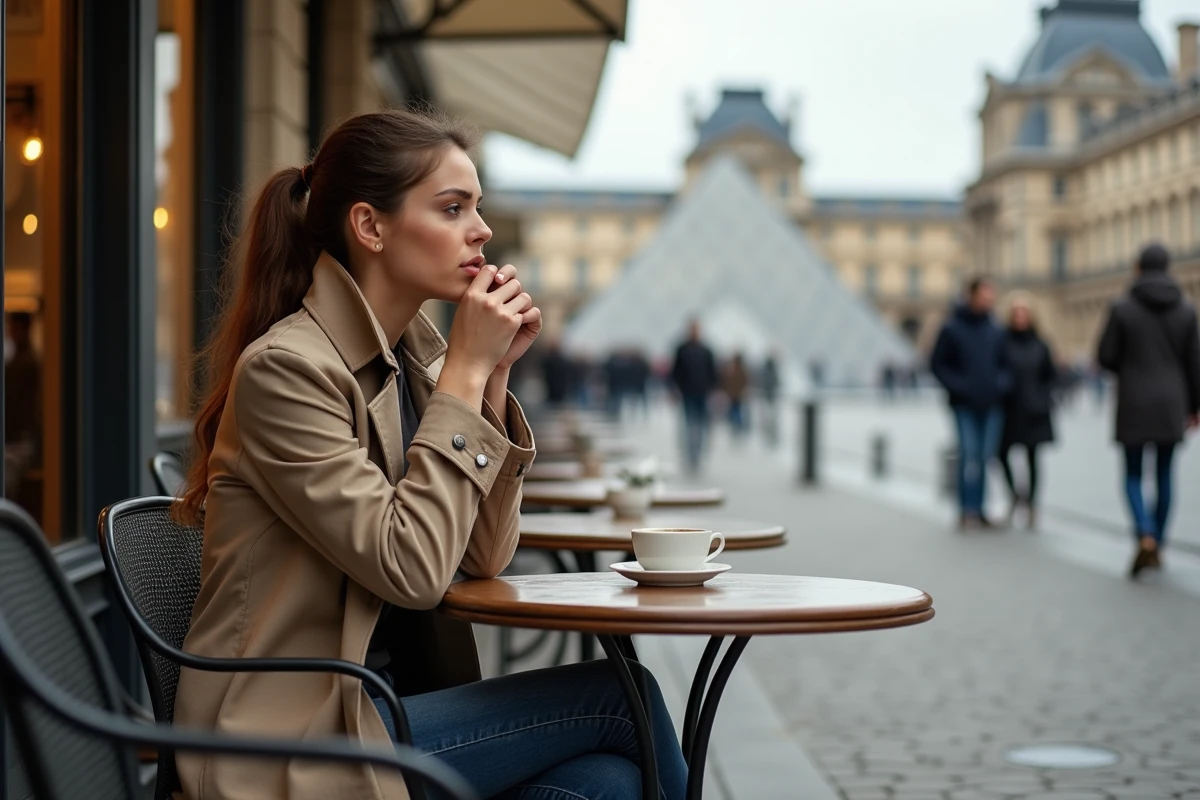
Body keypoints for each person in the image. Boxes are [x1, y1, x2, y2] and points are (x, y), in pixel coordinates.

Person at [173, 109, 687, 800]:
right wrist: (467, 376)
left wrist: (491, 383)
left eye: (476, 206)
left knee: (603, 783)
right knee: (623, 698)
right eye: (452, 208)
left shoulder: (413, 360)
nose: (482, 230)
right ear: (371, 227)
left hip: (382, 709)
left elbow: (482, 556)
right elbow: (412, 571)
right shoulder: (288, 372)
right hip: (292, 740)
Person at [1097, 243, 1200, 579]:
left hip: (1134, 401)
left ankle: (1144, 534)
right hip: (1173, 402)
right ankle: (1159, 540)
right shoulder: (1186, 309)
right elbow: (1195, 364)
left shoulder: (1122, 307)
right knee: (1166, 474)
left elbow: (1106, 357)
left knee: (1132, 474)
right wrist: (1195, 406)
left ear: (1138, 267)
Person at [930, 277, 1011, 530]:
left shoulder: (996, 329)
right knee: (968, 455)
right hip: (963, 403)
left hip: (991, 404)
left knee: (985, 457)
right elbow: (937, 364)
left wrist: (1001, 385)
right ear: (971, 295)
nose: (989, 300)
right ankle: (966, 510)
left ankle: (980, 509)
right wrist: (959, 386)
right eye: (985, 295)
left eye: (992, 296)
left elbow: (1007, 365)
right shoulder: (952, 328)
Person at [997, 293, 1057, 530]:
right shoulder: (1001, 342)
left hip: (1035, 410)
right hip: (1009, 408)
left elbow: (1051, 376)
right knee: (1001, 454)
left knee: (1033, 459)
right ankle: (1015, 495)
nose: (1020, 317)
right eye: (1016, 312)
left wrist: (1043, 398)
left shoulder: (1041, 344)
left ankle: (1032, 505)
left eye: (1024, 312)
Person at [670, 319, 718, 474]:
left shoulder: (706, 350)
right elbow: (675, 372)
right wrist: (674, 389)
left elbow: (713, 373)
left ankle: (697, 454)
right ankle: (691, 455)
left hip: (703, 393)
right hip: (687, 393)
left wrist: (714, 391)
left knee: (701, 425)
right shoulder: (682, 349)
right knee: (690, 425)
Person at [721, 352, 751, 439]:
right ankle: (737, 426)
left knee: (735, 411)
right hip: (736, 394)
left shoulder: (733, 369)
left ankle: (737, 426)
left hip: (734, 394)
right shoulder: (740, 370)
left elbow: (727, 381)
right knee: (736, 410)